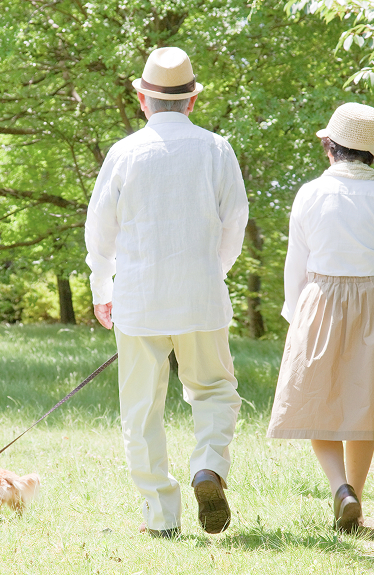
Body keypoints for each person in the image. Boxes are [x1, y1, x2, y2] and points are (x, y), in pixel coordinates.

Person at [85, 46, 248, 538]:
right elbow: (235, 223)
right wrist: (210, 271)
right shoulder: (217, 149)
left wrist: (101, 284)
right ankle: (208, 467)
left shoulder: (125, 152)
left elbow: (100, 231)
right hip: (201, 296)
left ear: (142, 99)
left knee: (141, 411)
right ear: (192, 102)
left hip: (138, 298)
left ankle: (160, 516)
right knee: (215, 391)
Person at [266, 102, 374, 532]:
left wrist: (295, 314)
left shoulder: (310, 193)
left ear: (329, 148)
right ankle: (357, 500)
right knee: (361, 404)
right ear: (370, 154)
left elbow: (297, 262)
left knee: (317, 399)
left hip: (321, 296)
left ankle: (339, 488)